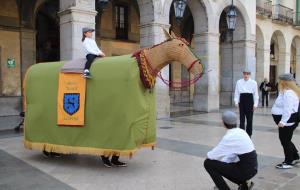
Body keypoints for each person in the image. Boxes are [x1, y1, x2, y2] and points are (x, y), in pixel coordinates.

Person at [204, 111, 257, 190]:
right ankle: (245, 183)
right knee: (223, 166)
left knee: (208, 163)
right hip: (252, 168)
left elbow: (212, 155)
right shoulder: (241, 131)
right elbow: (231, 156)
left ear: (223, 123)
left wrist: (218, 162)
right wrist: (222, 166)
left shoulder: (229, 137)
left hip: (246, 171)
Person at [271, 73, 300, 169]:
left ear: (284, 82)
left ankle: (288, 161)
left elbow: (288, 109)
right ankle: (295, 156)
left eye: (280, 80)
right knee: (287, 139)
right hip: (288, 120)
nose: (278, 82)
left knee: (285, 141)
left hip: (287, 121)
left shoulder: (289, 93)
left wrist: (282, 122)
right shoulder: (286, 91)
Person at [234, 69, 259, 137]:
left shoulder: (253, 82)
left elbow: (256, 94)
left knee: (250, 119)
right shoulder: (239, 82)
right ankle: (242, 134)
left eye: (247, 74)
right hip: (242, 100)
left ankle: (249, 134)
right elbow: (237, 93)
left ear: (250, 75)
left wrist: (255, 104)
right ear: (243, 74)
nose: (246, 75)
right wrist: (236, 102)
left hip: (250, 100)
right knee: (241, 119)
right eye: (245, 74)